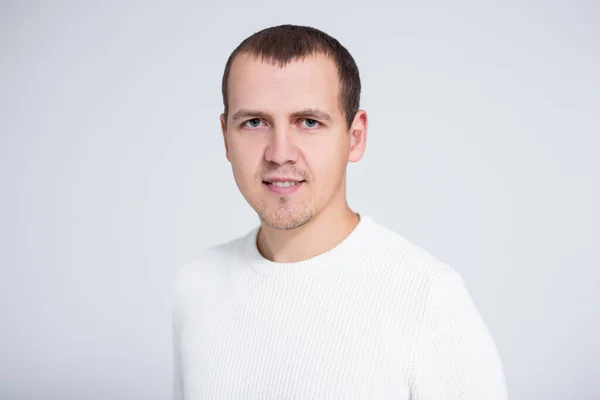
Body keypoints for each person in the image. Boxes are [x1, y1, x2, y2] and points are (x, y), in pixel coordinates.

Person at [172, 24, 508, 399]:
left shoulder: (427, 299)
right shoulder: (196, 286)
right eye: (255, 122)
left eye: (309, 122)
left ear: (355, 136)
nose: (280, 152)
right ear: (225, 138)